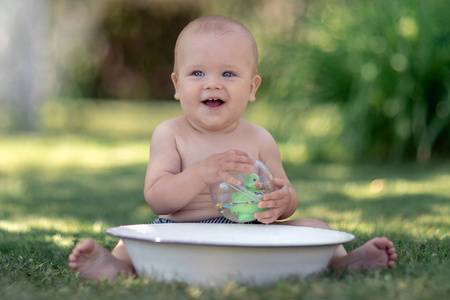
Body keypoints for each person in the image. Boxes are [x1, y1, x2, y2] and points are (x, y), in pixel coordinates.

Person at [69, 16, 397, 282]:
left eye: (228, 73)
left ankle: (344, 264)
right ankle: (117, 268)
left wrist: (281, 203)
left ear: (252, 87)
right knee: (133, 240)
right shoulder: (170, 134)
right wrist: (201, 173)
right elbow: (157, 197)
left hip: (249, 230)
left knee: (317, 229)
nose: (213, 83)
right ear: (177, 85)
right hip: (181, 231)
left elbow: (286, 194)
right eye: (197, 73)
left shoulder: (260, 139)